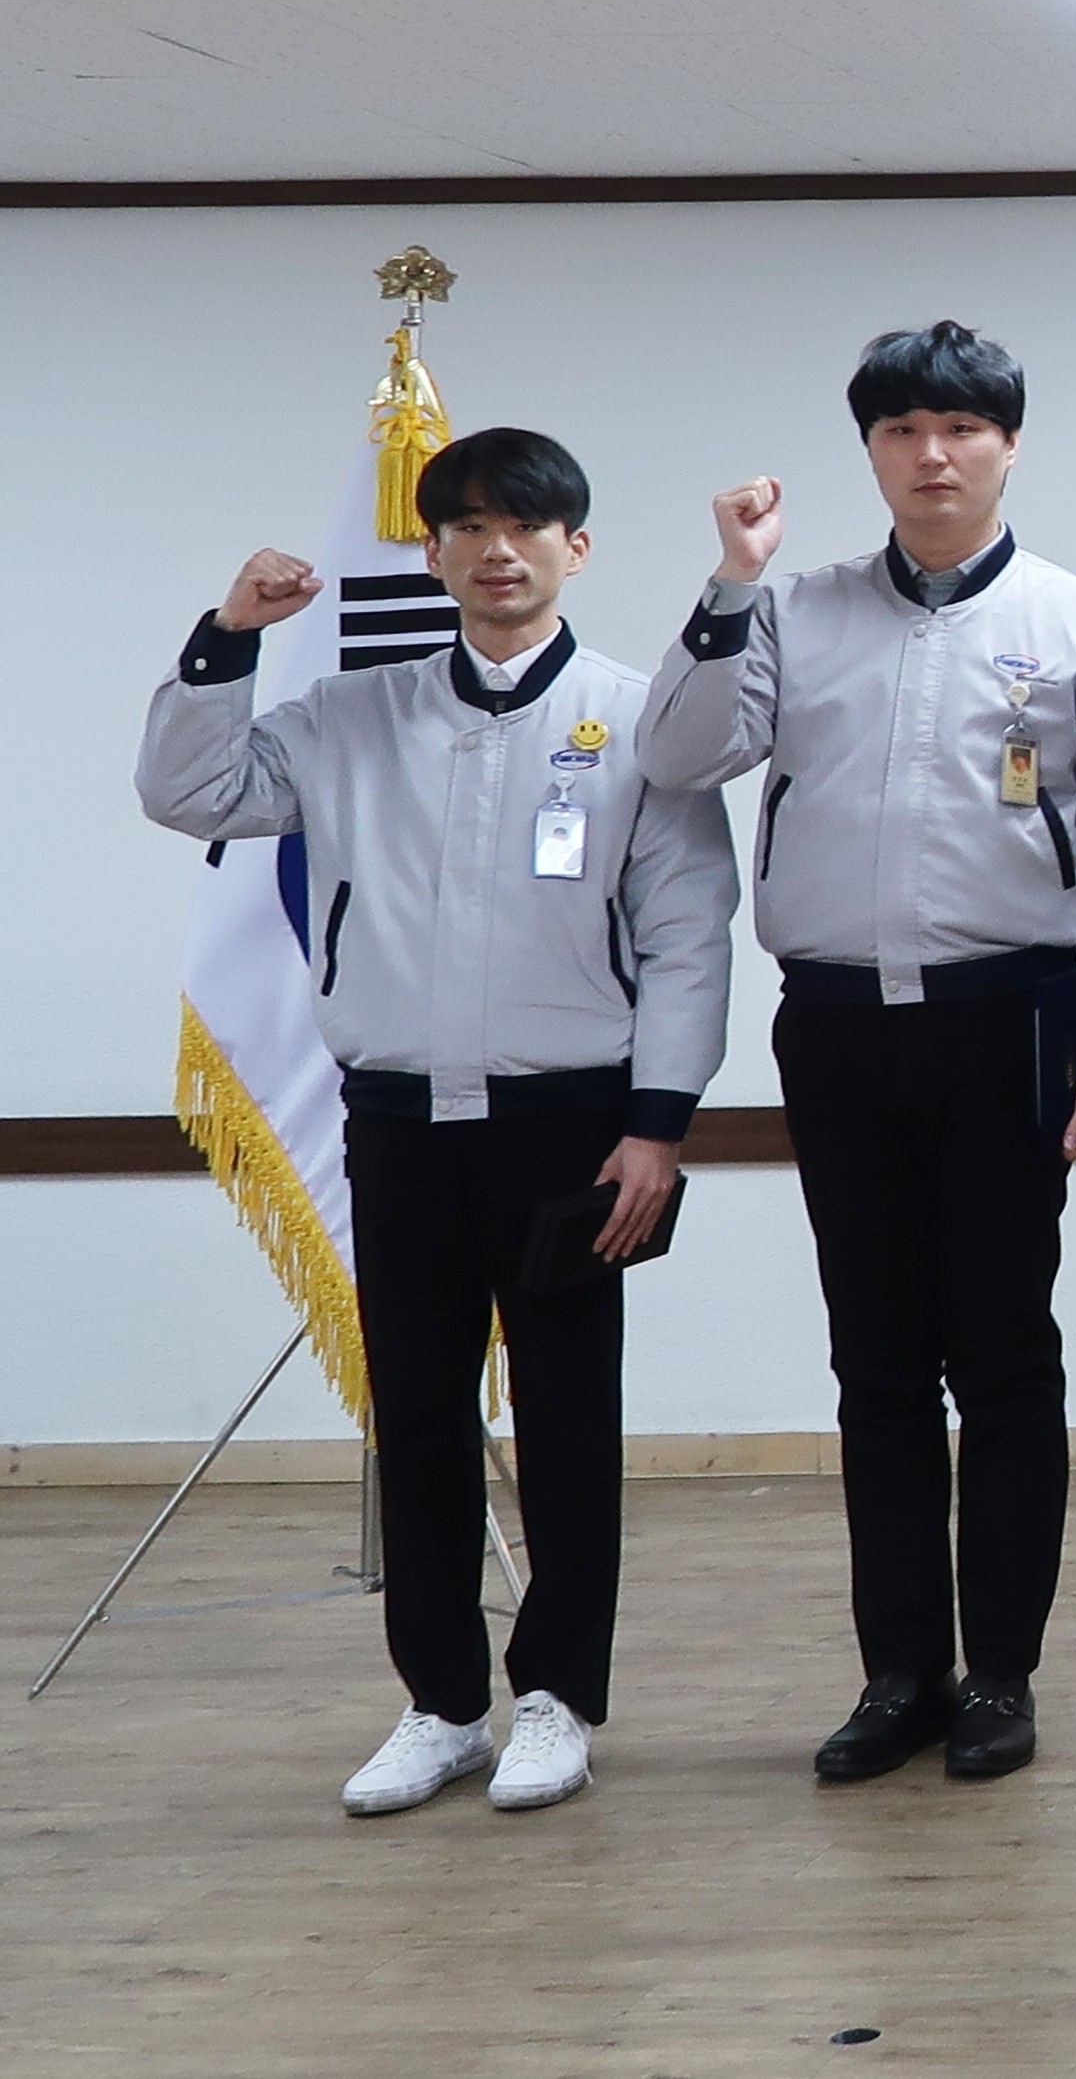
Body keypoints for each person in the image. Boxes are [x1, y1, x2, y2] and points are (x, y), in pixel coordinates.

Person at [137, 430, 734, 1817]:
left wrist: (658, 1124)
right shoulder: (352, 716)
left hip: (570, 1126)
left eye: (525, 525)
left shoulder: (640, 724)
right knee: (415, 1412)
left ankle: (558, 1697)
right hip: (399, 1121)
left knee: (570, 1415)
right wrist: (230, 638)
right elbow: (188, 792)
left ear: (577, 546)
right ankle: (443, 1704)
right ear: (432, 551)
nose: (495, 550)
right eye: (465, 526)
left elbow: (691, 937)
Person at [636, 322, 1076, 1783]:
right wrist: (729, 583)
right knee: (874, 1363)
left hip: (1017, 1016)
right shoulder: (792, 611)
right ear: (869, 451)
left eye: (961, 429)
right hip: (837, 1024)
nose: (933, 456)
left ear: (1008, 445)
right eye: (901, 432)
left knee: (1002, 1356)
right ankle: (898, 1674)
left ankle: (999, 1674)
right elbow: (678, 756)